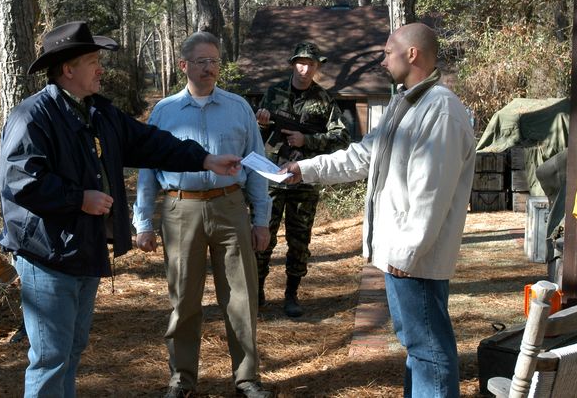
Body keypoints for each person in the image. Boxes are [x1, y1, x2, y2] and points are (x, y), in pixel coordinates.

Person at [0, 21, 244, 397]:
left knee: (71, 351)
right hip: (46, 257)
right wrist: (78, 198)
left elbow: (151, 143)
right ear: (68, 69)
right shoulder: (33, 116)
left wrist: (206, 159)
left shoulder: (98, 112)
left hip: (84, 249)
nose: (101, 68)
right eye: (93, 61)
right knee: (49, 358)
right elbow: (19, 181)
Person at [281, 23, 475, 398]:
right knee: (418, 347)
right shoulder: (404, 103)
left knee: (429, 349)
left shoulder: (440, 110)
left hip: (414, 257)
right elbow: (361, 156)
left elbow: (429, 192)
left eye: (388, 51)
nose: (383, 59)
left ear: (412, 54)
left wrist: (406, 252)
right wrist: (304, 169)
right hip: (400, 255)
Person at [133, 31, 273, 398]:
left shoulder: (238, 107)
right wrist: (144, 222)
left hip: (230, 207)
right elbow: (147, 171)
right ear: (184, 66)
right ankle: (181, 380)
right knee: (183, 300)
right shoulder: (164, 111)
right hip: (181, 209)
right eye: (201, 62)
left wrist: (261, 220)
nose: (210, 68)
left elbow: (256, 166)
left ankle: (247, 379)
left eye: (214, 61)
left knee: (241, 298)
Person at [254, 42, 350, 317]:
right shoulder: (273, 94)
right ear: (292, 64)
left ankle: (291, 294)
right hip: (272, 178)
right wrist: (261, 125)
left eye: (311, 64)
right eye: (300, 62)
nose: (305, 68)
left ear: (317, 67)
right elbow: (256, 135)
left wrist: (306, 139)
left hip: (305, 180)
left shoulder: (324, 99)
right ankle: (258, 290)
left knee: (299, 241)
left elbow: (342, 137)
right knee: (263, 237)